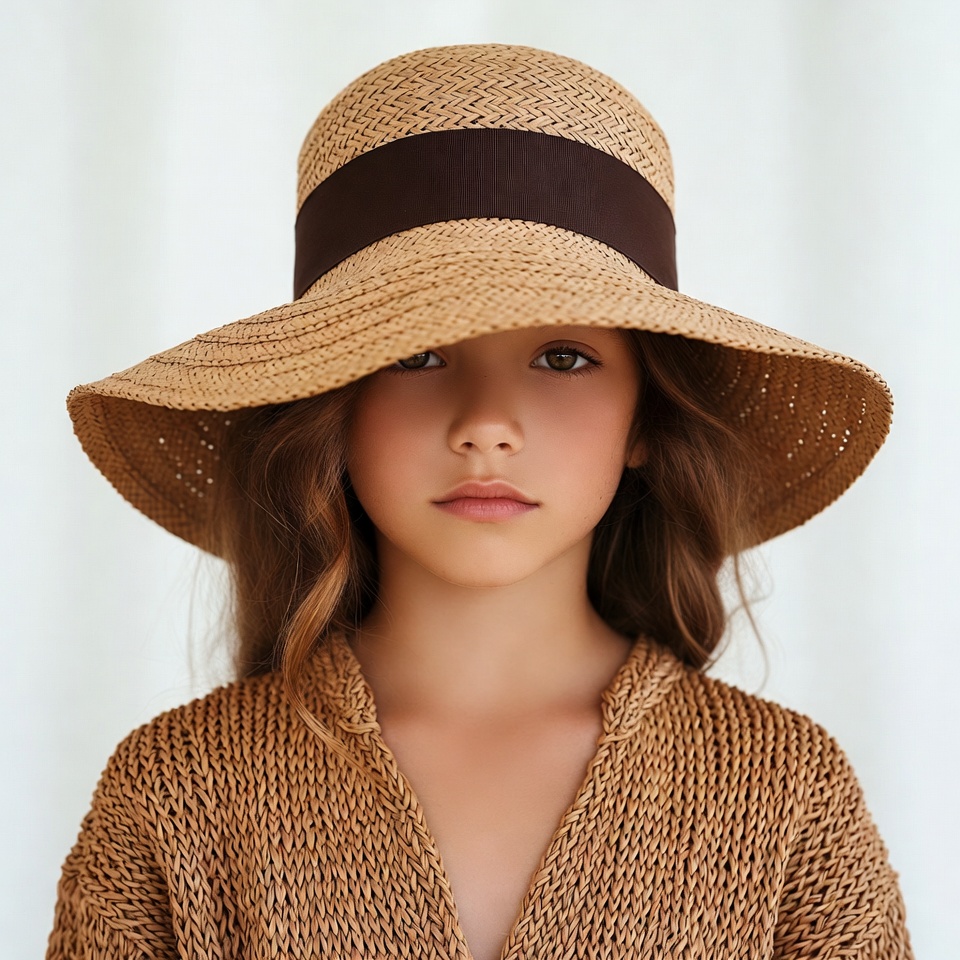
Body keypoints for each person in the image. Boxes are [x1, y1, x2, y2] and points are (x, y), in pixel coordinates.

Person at [47, 42, 913, 959]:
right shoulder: (174, 793)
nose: (487, 425)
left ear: (647, 417)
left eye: (563, 358)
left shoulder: (785, 797)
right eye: (416, 355)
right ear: (330, 407)